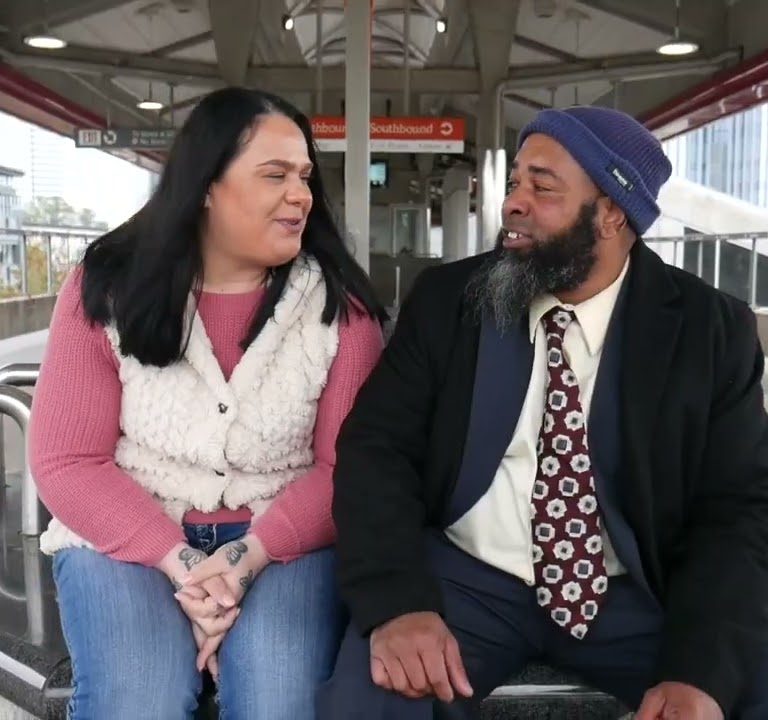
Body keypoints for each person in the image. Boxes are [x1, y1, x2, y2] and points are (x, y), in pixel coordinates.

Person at [321, 106, 768, 720]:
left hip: (634, 592)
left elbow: (737, 509)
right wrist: (397, 603)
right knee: (369, 700)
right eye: (515, 183)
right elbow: (378, 450)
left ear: (612, 212)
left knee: (744, 687)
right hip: (467, 580)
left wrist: (700, 675)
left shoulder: (708, 331)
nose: (513, 203)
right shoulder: (450, 301)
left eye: (543, 187)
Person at [29, 86, 385, 719]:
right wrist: (187, 564)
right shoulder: (107, 287)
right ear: (206, 186)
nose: (301, 195)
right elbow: (67, 461)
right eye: (274, 175)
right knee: (138, 698)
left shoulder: (340, 308)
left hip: (286, 539)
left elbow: (348, 468)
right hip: (122, 532)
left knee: (278, 698)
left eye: (304, 176)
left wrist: (244, 560)